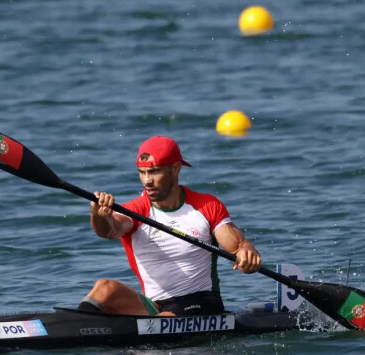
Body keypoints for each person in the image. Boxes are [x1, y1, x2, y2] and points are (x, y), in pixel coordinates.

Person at [77, 135, 261, 316]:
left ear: (175, 169)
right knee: (104, 287)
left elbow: (237, 247)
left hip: (202, 302)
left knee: (165, 319)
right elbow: (109, 230)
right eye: (142, 172)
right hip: (156, 306)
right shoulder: (136, 210)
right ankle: (77, 327)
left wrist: (246, 254)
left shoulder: (207, 206)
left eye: (155, 171)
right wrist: (98, 215)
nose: (147, 180)